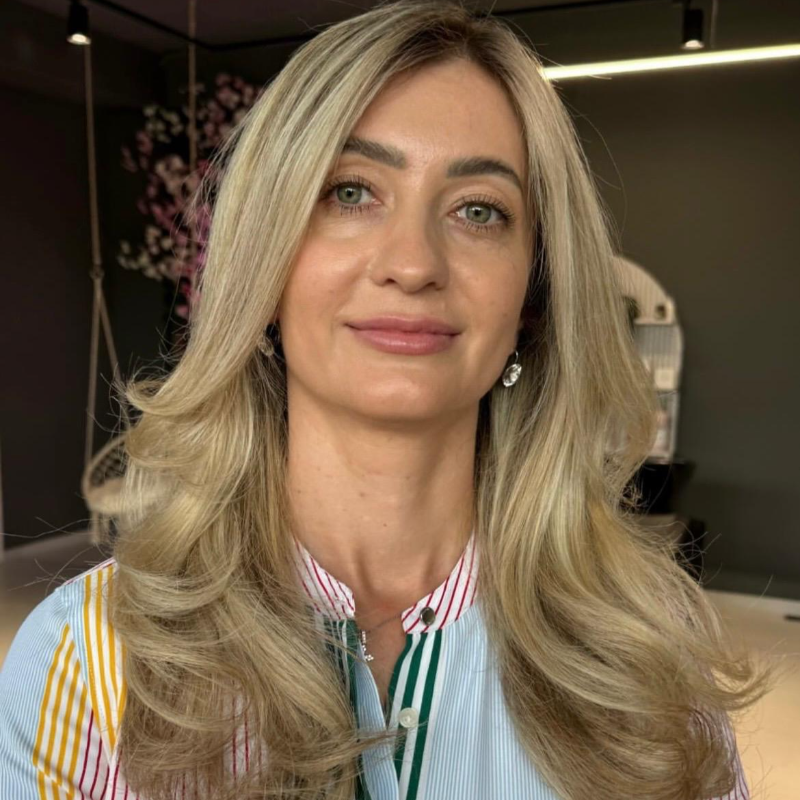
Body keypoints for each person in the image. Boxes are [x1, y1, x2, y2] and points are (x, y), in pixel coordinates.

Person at [0, 1, 778, 798]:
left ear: (534, 295)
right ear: (266, 261)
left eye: (479, 210)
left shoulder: (648, 651)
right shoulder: (84, 660)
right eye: (349, 192)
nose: (413, 264)